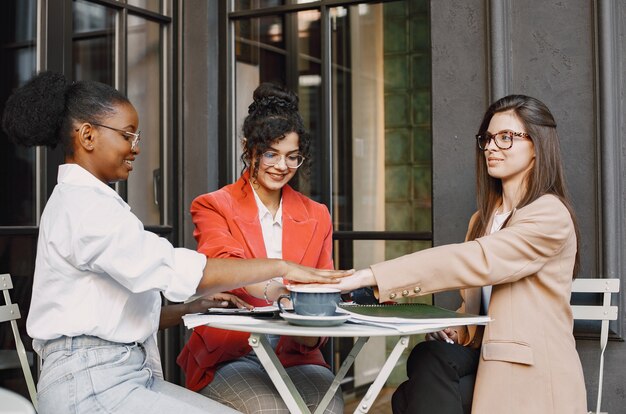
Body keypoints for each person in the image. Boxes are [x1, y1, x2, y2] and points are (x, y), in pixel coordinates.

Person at [1, 71, 351, 414]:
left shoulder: (93, 203)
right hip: (90, 384)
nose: (135, 148)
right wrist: (281, 266)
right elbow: (169, 268)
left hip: (116, 373)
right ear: (88, 136)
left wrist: (185, 310)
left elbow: (109, 315)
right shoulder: (84, 208)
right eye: (128, 136)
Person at [317, 95, 587, 414]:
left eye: (506, 137)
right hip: (486, 356)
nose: (491, 147)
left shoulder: (549, 214)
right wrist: (456, 327)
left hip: (529, 370)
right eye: (487, 138)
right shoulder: (482, 220)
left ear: (537, 146)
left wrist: (373, 276)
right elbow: (481, 304)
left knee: (408, 397)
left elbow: (478, 260)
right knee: (426, 358)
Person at [175, 82, 343, 414]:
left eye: (292, 157)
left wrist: (316, 331)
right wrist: (279, 288)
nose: (282, 166)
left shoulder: (317, 215)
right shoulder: (214, 205)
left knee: (326, 406)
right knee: (272, 409)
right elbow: (225, 266)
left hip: (297, 352)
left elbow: (323, 284)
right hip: (231, 352)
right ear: (248, 148)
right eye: (271, 153)